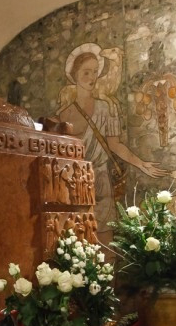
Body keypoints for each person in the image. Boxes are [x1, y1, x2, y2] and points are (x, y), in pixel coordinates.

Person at [56, 43, 167, 234]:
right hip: (74, 181)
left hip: (100, 179)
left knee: (104, 231)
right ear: (74, 75)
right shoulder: (64, 114)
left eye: (95, 72)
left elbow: (114, 144)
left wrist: (141, 164)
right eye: (86, 72)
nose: (92, 77)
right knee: (77, 233)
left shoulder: (106, 108)